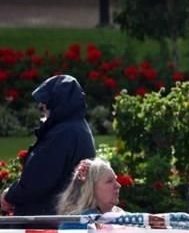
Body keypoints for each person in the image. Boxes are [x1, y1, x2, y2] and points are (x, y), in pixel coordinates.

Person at [1, 74, 95, 216]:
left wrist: (10, 195)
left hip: (48, 218)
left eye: (45, 101)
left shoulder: (63, 134)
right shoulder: (76, 128)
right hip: (63, 213)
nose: (41, 105)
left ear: (57, 102)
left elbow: (38, 179)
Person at [56, 158, 121, 215]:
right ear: (90, 189)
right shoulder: (76, 223)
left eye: (115, 180)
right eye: (109, 181)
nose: (118, 185)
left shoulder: (119, 214)